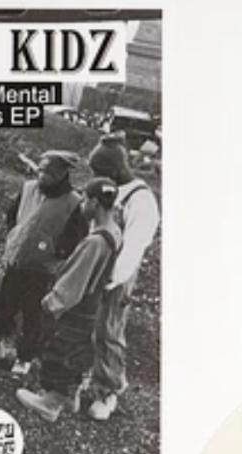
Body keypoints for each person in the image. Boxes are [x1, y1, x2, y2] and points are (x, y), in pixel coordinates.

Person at [15, 178, 122, 423]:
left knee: (61, 349)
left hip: (78, 307)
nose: (82, 205)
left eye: (85, 200)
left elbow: (75, 280)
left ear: (95, 203)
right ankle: (70, 397)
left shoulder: (95, 242)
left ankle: (51, 403)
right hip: (95, 306)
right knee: (78, 352)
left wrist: (52, 302)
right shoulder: (115, 232)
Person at [0, 150, 86, 371]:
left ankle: (24, 357)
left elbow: (76, 235)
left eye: (49, 174)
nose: (42, 177)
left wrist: (56, 250)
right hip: (17, 259)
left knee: (33, 313)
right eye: (41, 171)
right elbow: (12, 215)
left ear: (61, 175)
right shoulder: (28, 188)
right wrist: (14, 236)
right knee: (5, 305)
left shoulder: (73, 202)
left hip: (43, 268)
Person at [83, 133, 160, 421]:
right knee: (88, 325)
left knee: (108, 329)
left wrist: (112, 278)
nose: (97, 178)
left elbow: (134, 246)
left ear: (116, 169)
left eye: (101, 172)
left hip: (117, 273)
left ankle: (108, 390)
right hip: (95, 266)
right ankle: (92, 374)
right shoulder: (110, 189)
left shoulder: (140, 200)